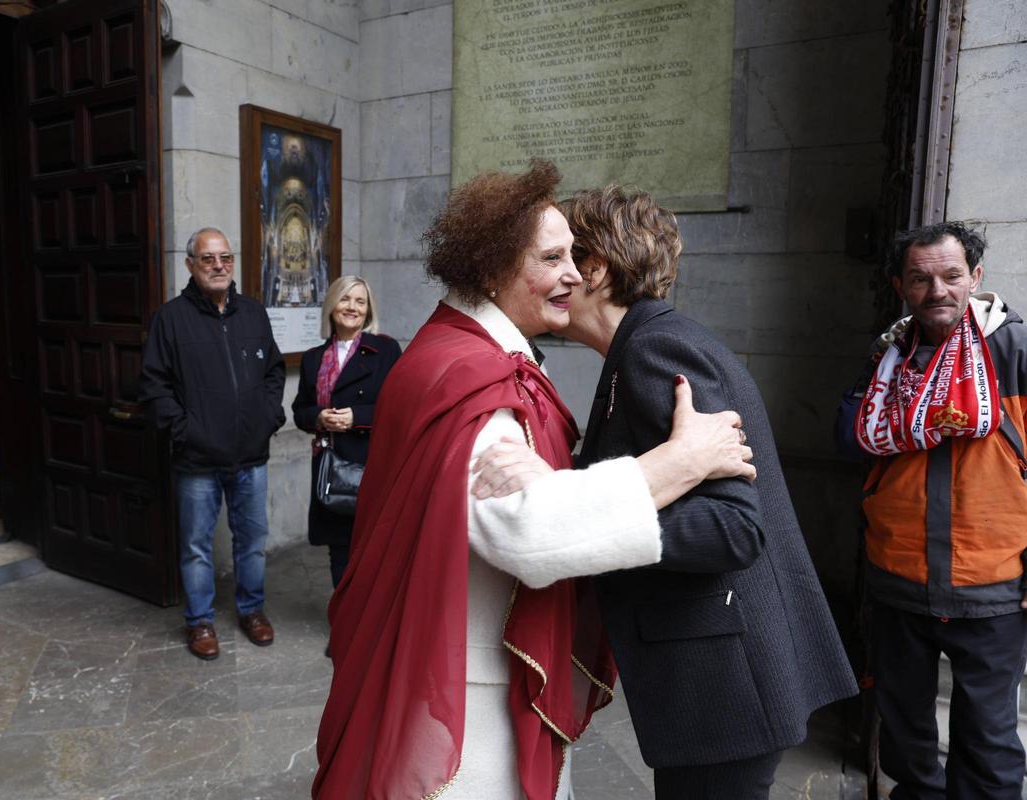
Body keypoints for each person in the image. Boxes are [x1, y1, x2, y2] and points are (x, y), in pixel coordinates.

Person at [313, 160, 756, 800]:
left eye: (574, 256)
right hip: (468, 694)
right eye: (552, 258)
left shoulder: (449, 351)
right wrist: (682, 461)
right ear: (493, 268)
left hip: (447, 662)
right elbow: (528, 533)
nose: (574, 276)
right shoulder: (479, 383)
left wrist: (555, 479)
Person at [475, 186, 857, 799]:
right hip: (724, 675)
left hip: (727, 682)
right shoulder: (642, 348)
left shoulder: (657, 349)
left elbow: (734, 528)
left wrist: (572, 497)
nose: (558, 276)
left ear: (594, 269)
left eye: (563, 259)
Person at [837, 221, 1027, 800]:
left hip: (991, 582)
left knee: (989, 741)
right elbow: (849, 438)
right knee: (906, 734)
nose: (937, 290)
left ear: (975, 277)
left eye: (951, 276)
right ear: (900, 285)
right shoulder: (891, 354)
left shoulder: (1012, 350)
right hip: (898, 578)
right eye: (920, 279)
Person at [138, 227, 286, 659]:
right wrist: (185, 432)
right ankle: (200, 622)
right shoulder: (171, 319)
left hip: (251, 457)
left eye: (225, 257)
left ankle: (252, 611)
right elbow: (154, 386)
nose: (218, 265)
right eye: (208, 259)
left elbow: (274, 371)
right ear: (190, 265)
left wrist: (268, 417)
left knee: (252, 541)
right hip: (197, 460)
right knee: (196, 547)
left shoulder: (254, 314)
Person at [292, 275, 401, 588]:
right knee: (339, 550)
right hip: (332, 466)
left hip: (372, 464)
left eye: (360, 301)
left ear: (368, 312)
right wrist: (320, 417)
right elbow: (300, 411)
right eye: (345, 299)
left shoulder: (385, 350)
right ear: (331, 305)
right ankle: (344, 625)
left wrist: (358, 417)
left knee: (374, 547)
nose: (351, 307)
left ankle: (371, 623)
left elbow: (403, 408)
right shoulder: (314, 358)